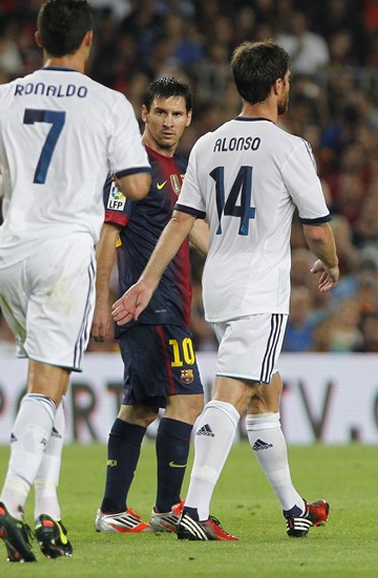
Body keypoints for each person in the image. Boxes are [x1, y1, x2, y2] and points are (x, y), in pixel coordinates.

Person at [0, 0, 151, 562]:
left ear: (38, 39)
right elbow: (135, 186)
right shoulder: (108, 103)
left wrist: (5, 186)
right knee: (48, 384)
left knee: (46, 382)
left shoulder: (4, 95)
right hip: (64, 251)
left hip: (10, 252)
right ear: (89, 40)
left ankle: (49, 513)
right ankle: (9, 501)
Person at [112, 40, 339, 541]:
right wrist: (332, 261)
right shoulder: (289, 147)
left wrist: (145, 282)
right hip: (261, 291)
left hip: (219, 288)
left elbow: (180, 222)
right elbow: (318, 229)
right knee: (232, 393)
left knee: (265, 393)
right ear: (280, 85)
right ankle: (192, 507)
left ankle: (294, 506)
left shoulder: (208, 144)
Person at [92, 77, 208, 534]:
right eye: (160, 112)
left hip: (170, 307)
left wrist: (232, 266)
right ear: (144, 112)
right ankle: (167, 508)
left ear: (189, 118)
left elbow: (190, 231)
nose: (168, 122)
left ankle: (113, 509)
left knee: (140, 407)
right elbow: (107, 235)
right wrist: (102, 302)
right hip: (150, 307)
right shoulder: (132, 170)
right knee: (189, 400)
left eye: (177, 114)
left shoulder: (179, 169)